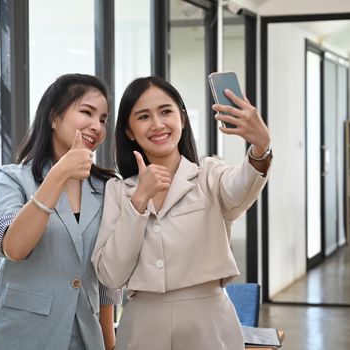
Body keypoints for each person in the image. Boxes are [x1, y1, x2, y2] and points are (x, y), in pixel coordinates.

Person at [91, 76, 272, 350]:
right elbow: (111, 275)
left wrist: (261, 147)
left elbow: (241, 188)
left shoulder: (209, 175)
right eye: (143, 116)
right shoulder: (118, 191)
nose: (157, 124)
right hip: (142, 325)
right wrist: (139, 200)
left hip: (209, 323)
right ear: (129, 131)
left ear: (183, 119)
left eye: (166, 112)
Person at [0, 74, 121, 350]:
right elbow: (14, 247)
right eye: (86, 112)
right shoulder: (10, 179)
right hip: (16, 335)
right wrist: (59, 174)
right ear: (54, 117)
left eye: (103, 119)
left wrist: (108, 340)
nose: (96, 126)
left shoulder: (107, 188)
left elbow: (105, 275)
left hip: (84, 336)